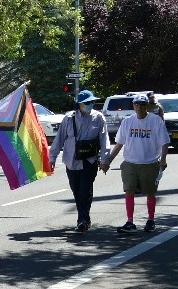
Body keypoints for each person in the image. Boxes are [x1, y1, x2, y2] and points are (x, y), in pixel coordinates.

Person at [101, 93, 169, 233]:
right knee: (129, 190)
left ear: (147, 106)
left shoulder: (155, 121)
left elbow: (164, 142)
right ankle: (130, 221)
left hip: (149, 163)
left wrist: (163, 159)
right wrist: (108, 161)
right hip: (130, 163)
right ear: (133, 106)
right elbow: (119, 143)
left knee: (150, 192)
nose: (139, 107)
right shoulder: (128, 121)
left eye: (142, 104)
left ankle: (150, 220)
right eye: (136, 104)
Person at [48, 90, 110, 231]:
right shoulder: (69, 118)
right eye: (87, 103)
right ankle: (83, 218)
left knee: (85, 190)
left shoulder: (99, 118)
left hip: (90, 161)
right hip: (72, 161)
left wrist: (105, 159)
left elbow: (104, 139)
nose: (91, 105)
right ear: (80, 104)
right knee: (76, 190)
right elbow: (59, 139)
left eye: (92, 102)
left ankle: (83, 220)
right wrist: (52, 158)